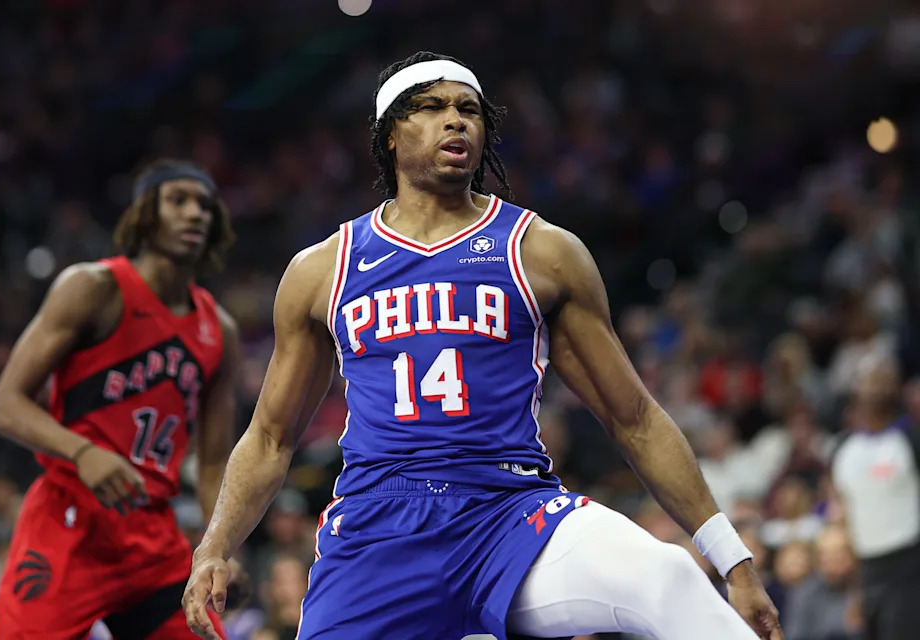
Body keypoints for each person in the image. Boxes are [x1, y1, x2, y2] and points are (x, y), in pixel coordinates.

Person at [182, 52, 781, 640]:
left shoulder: (541, 251)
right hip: (379, 524)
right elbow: (270, 437)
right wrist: (215, 547)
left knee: (667, 576)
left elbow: (636, 419)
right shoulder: (324, 269)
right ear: (390, 134)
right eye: (431, 107)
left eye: (469, 109)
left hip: (509, 510)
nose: (455, 119)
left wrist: (734, 561)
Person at [0, 159, 240, 639]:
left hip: (151, 536)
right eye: (178, 200)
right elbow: (5, 404)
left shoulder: (219, 330)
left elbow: (213, 464)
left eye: (205, 205)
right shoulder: (94, 288)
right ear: (146, 213)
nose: (195, 213)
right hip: (69, 519)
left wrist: (220, 548)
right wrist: (83, 452)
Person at [831, 356, 920, 640]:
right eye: (869, 380)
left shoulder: (911, 440)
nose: (876, 387)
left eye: (883, 380)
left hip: (908, 564)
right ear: (856, 389)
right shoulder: (844, 449)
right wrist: (855, 591)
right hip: (867, 568)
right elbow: (844, 515)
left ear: (896, 388)